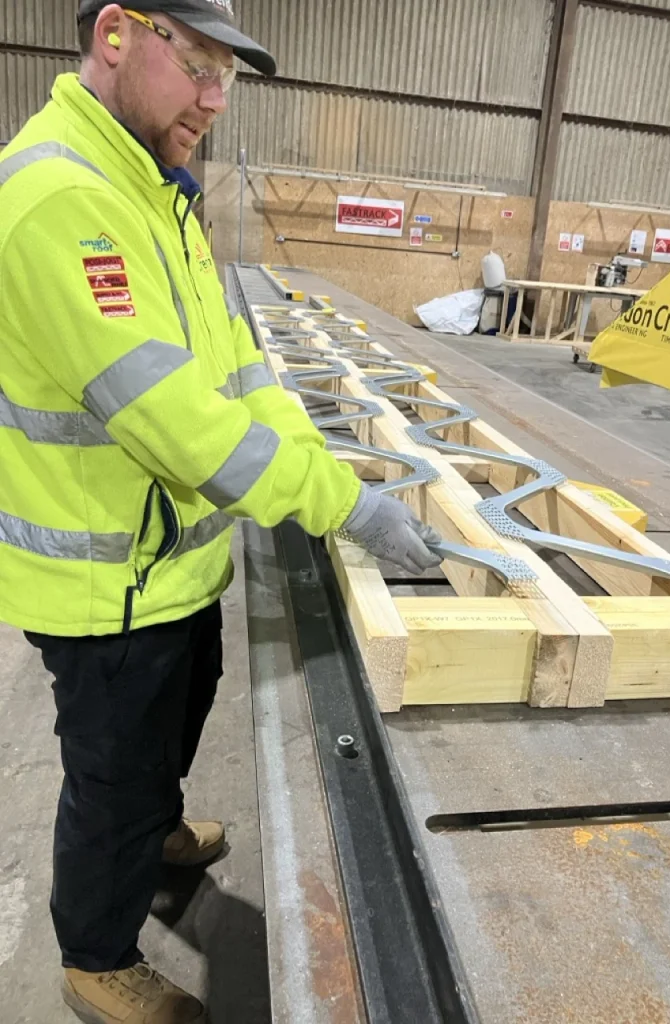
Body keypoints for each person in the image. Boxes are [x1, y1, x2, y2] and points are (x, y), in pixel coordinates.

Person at [0, 2, 442, 1020]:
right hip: (103, 583)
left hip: (172, 565)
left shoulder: (152, 188)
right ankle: (96, 953)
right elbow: (177, 427)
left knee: (171, 723)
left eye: (226, 78)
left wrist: (316, 456)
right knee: (110, 771)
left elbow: (237, 370)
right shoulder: (63, 197)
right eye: (195, 64)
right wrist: (347, 508)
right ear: (116, 33)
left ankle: (152, 828)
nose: (211, 99)